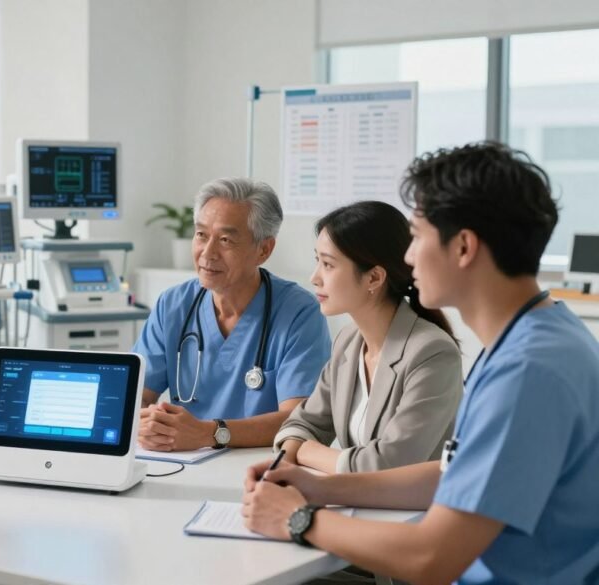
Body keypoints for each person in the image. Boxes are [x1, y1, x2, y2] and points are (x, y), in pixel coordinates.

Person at [243, 142, 599, 584]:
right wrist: (320, 487)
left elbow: (433, 558)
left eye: (417, 236)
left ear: (464, 247)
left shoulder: (528, 371)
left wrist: (300, 519)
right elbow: (451, 476)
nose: (407, 258)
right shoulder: (532, 338)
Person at [133, 178, 330, 451]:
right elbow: (135, 398)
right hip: (180, 461)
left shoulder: (299, 313)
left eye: (225, 240)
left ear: (264, 249)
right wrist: (146, 424)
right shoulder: (173, 305)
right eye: (201, 235)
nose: (208, 253)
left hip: (260, 468)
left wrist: (209, 433)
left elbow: (298, 421)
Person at [273, 201, 463, 473]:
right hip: (356, 501)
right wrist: (291, 454)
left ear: (374, 278)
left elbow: (389, 463)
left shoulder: (432, 353)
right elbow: (304, 423)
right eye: (318, 261)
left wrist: (306, 450)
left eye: (328, 264)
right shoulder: (348, 342)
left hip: (414, 512)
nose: (315, 278)